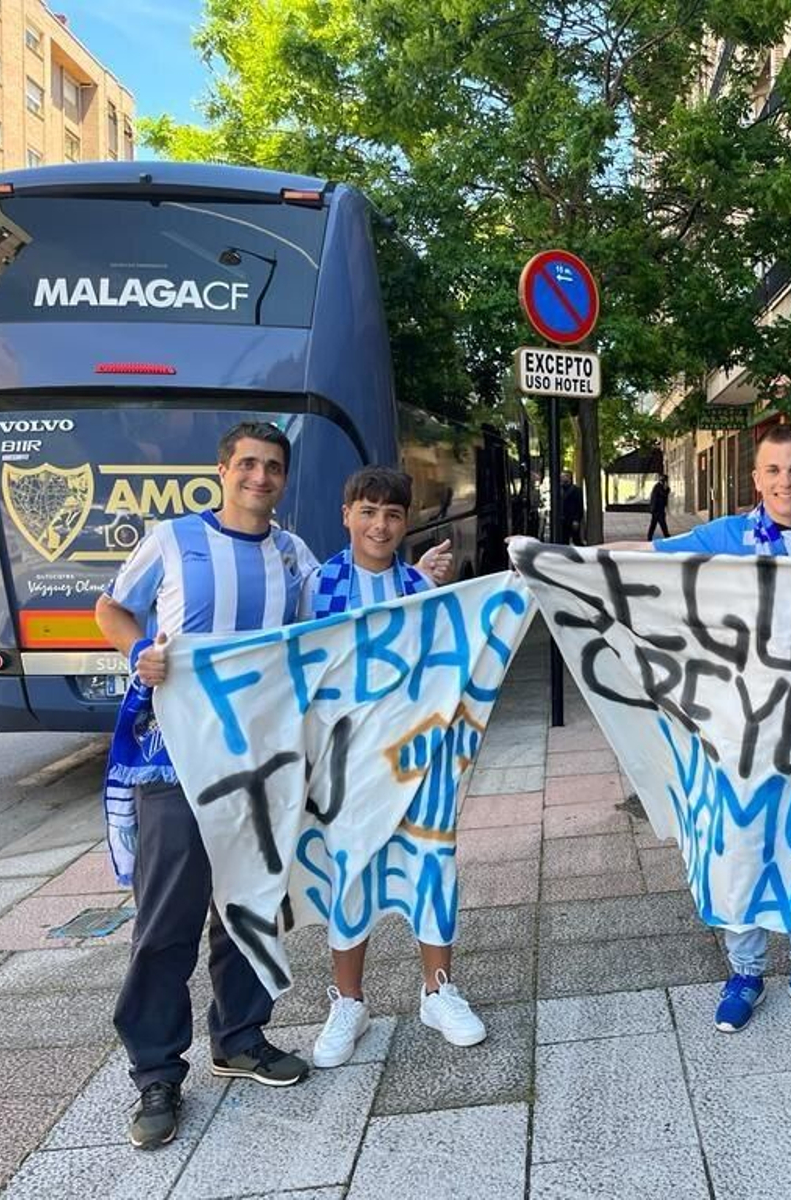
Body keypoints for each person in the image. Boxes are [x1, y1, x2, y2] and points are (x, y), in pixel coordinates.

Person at [96, 425, 455, 1151]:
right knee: (166, 924)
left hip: (262, 766)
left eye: (274, 468)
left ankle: (239, 1037)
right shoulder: (170, 541)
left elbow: (343, 627)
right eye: (249, 465)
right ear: (223, 470)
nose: (261, 477)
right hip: (175, 762)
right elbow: (111, 608)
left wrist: (419, 585)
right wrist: (139, 654)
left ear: (284, 481)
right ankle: (157, 1073)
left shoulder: (292, 556)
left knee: (252, 907)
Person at [606, 424, 791, 1032]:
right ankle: (745, 971)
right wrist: (559, 560)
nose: (786, 482)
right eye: (774, 471)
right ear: (756, 478)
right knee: (741, 847)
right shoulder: (725, 538)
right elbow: (653, 561)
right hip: (741, 732)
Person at [299, 466, 487, 1068]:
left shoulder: (418, 588)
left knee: (432, 863)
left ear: (405, 522)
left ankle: (438, 989)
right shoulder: (316, 588)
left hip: (418, 757)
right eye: (368, 511)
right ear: (346, 514)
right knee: (349, 869)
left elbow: (447, 662)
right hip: (347, 760)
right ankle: (349, 1001)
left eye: (393, 514)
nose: (380, 524)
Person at [560, 470, 584, 545]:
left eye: (564, 476)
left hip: (572, 519)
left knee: (576, 539)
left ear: (569, 478)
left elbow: (579, 506)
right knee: (564, 539)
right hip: (563, 519)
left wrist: (576, 519)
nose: (562, 478)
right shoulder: (559, 490)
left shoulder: (576, 490)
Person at [647, 473, 671, 540]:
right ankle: (666, 536)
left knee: (655, 523)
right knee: (661, 523)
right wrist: (667, 489)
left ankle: (650, 536)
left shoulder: (659, 486)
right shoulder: (658, 487)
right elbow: (663, 494)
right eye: (666, 481)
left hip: (658, 509)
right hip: (657, 509)